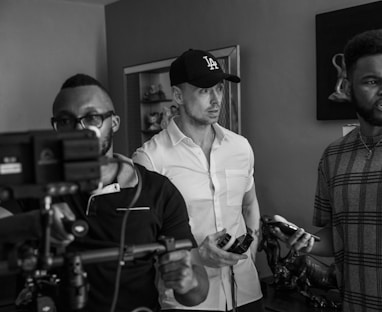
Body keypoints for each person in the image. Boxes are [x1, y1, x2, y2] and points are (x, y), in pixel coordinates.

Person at [2, 73, 209, 312]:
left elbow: (196, 294)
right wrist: (34, 223)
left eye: (91, 118)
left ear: (115, 122)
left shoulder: (158, 191)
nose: (79, 130)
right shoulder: (35, 186)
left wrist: (188, 281)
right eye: (65, 120)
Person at [133, 49, 263, 312]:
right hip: (189, 301)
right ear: (178, 96)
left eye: (219, 88)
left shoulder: (240, 147)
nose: (216, 100)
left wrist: (251, 247)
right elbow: (143, 244)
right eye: (204, 91)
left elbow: (249, 205)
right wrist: (196, 257)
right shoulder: (150, 160)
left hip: (247, 293)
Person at [272, 29, 382, 312]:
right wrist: (303, 242)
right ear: (347, 86)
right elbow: (339, 234)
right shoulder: (334, 156)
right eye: (372, 81)